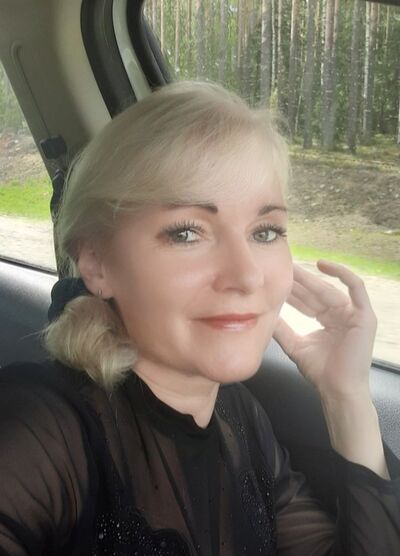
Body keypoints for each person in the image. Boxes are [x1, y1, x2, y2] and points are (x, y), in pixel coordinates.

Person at [0, 80, 399, 556]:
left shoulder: (241, 417)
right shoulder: (36, 428)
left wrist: (345, 395)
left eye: (265, 231)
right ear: (97, 264)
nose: (247, 275)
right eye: (187, 233)